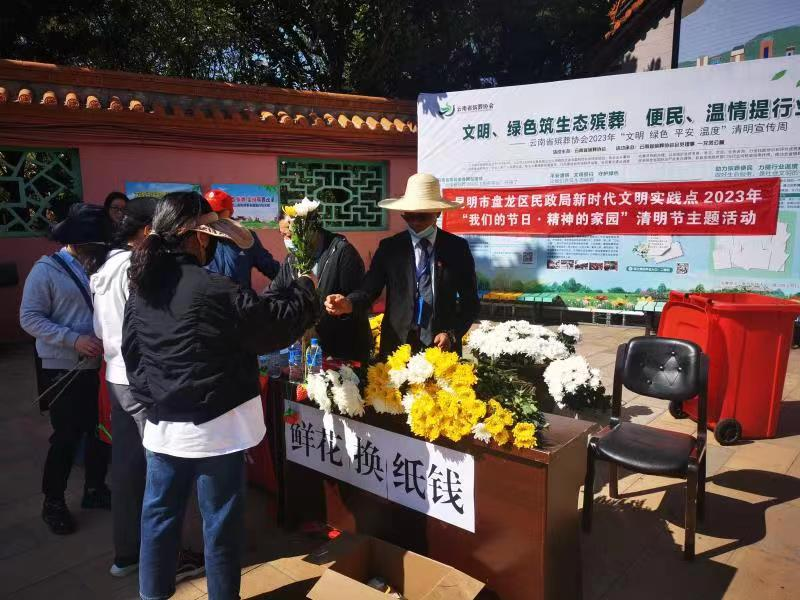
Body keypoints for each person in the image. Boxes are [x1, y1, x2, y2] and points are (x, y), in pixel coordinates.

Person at [122, 191, 318, 600]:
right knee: (221, 523)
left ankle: (151, 595)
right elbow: (272, 327)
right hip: (217, 429)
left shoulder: (142, 287)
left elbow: (132, 356)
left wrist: (158, 402)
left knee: (158, 516)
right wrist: (304, 289)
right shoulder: (215, 288)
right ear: (200, 237)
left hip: (164, 428)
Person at [91, 197, 204, 580]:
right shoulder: (139, 266)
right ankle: (170, 559)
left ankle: (127, 554)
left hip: (117, 377)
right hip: (145, 381)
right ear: (146, 230)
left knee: (127, 470)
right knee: (165, 470)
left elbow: (100, 328)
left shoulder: (106, 265)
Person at [19, 203, 112, 535]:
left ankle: (94, 489)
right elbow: (29, 318)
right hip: (64, 368)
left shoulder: (98, 266)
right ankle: (53, 502)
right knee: (66, 437)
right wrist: (73, 340)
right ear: (76, 241)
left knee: (100, 432)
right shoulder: (45, 271)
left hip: (98, 366)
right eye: (94, 245)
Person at [325, 173, 480, 357]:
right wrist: (349, 303)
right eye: (409, 216)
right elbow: (369, 289)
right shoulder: (390, 248)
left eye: (422, 217)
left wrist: (451, 334)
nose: (415, 223)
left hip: (441, 347)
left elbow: (470, 302)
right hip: (397, 346)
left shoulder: (456, 248)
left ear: (438, 212)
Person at [272, 211, 371, 364]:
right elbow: (276, 291)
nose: (287, 241)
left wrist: (347, 304)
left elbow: (363, 296)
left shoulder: (342, 252)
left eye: (290, 235)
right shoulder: (292, 259)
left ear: (310, 230)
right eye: (283, 235)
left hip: (341, 351)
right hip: (306, 349)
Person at [204, 188, 280, 289]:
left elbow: (269, 267)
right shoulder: (199, 236)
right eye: (210, 212)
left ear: (230, 212)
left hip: (240, 297)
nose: (214, 216)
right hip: (208, 297)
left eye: (218, 212)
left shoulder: (246, 237)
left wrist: (293, 279)